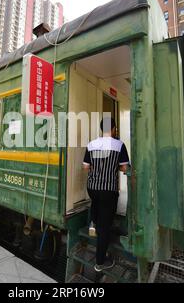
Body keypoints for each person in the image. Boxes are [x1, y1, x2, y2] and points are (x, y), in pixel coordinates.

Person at [83, 117, 130, 273]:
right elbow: (124, 168)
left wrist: (97, 172)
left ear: (102, 129)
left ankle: (93, 225)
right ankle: (100, 263)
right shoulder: (119, 145)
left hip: (92, 187)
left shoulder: (91, 144)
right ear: (114, 128)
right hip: (108, 190)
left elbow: (85, 167)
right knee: (105, 226)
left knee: (95, 205)